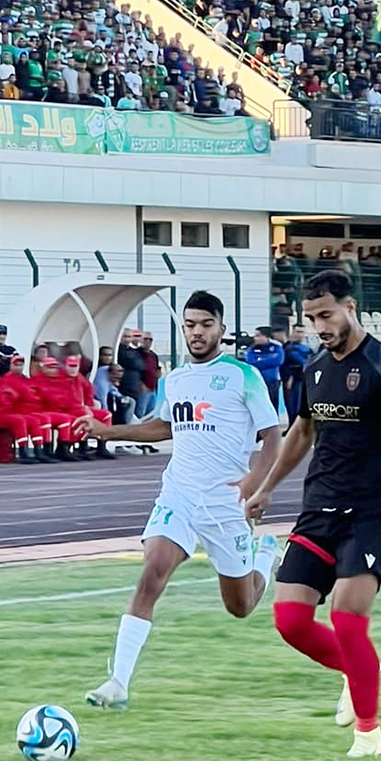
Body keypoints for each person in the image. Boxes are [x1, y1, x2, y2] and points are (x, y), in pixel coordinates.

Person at [243, 270, 381, 759]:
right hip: (319, 509)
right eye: (310, 319)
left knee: (348, 617)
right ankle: (358, 669)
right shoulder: (314, 368)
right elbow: (301, 434)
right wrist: (265, 489)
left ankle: (369, 734)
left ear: (351, 308)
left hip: (370, 512)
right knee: (290, 620)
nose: (319, 327)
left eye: (326, 315)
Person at [79, 291, 283, 710]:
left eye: (205, 324)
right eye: (190, 325)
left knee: (240, 606)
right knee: (152, 572)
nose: (197, 332)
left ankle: (265, 555)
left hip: (227, 504)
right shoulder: (176, 379)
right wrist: (109, 432)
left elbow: (272, 436)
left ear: (221, 329)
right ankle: (117, 682)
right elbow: (163, 426)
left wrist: (257, 485)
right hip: (180, 496)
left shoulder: (243, 376)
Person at [246, 327, 286, 414]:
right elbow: (251, 361)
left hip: (272, 382)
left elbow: (278, 360)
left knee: (272, 406)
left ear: (266, 336)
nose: (255, 338)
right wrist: (267, 360)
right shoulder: (252, 349)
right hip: (256, 382)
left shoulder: (276, 347)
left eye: (258, 336)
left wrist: (260, 360)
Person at [281, 325, 313, 429]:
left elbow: (308, 362)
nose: (300, 335)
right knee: (291, 405)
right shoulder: (287, 347)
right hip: (290, 380)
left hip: (302, 379)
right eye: (298, 332)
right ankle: (292, 427)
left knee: (299, 405)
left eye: (302, 332)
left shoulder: (307, 348)